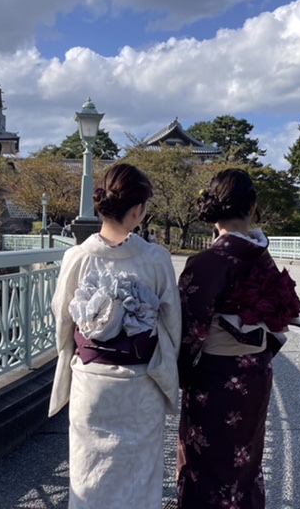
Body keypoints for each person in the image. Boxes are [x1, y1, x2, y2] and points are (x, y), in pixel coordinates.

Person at [49, 163, 181, 509]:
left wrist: (75, 355)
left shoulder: (75, 257)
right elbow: (172, 323)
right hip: (140, 383)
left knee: (89, 474)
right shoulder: (155, 259)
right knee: (140, 476)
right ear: (137, 211)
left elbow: (63, 319)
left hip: (91, 381)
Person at [176, 169, 300, 509]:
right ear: (254, 208)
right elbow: (280, 317)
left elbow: (188, 332)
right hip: (256, 371)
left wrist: (181, 374)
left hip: (216, 376)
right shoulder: (263, 257)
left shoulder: (205, 263)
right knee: (245, 461)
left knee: (207, 464)